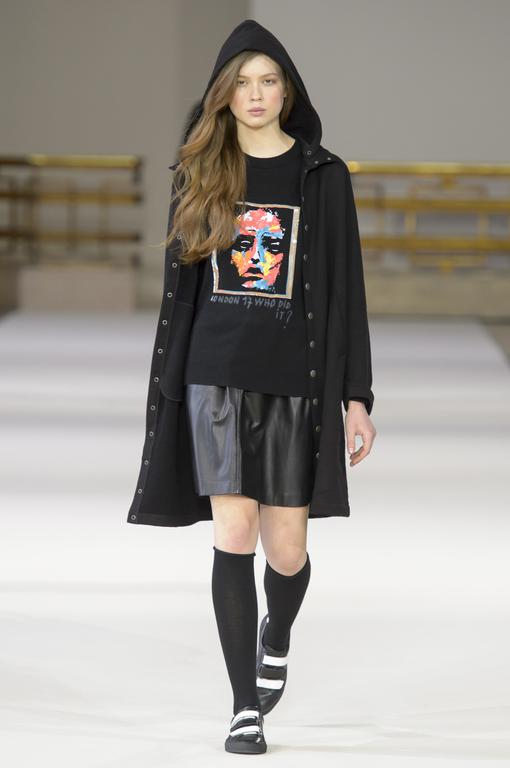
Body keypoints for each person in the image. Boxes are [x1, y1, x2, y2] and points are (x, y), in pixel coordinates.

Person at [128, 19, 376, 755]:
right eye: (243, 83)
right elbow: (182, 292)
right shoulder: (200, 170)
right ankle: (244, 706)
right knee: (233, 534)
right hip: (217, 374)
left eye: (269, 81)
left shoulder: (323, 175)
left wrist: (356, 396)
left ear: (287, 91)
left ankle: (277, 632)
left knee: (287, 551)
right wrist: (171, 387)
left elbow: (348, 292)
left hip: (295, 377)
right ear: (224, 94)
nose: (257, 94)